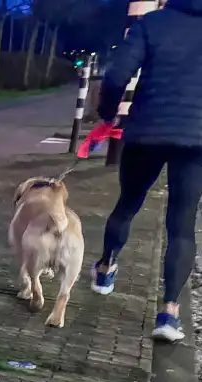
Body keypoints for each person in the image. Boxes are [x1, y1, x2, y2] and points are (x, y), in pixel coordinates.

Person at [91, 0, 202, 342]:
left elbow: (116, 74)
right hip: (196, 140)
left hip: (146, 131)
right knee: (182, 226)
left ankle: (106, 269)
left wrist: (107, 112)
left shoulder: (152, 23)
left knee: (128, 203)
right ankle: (169, 314)